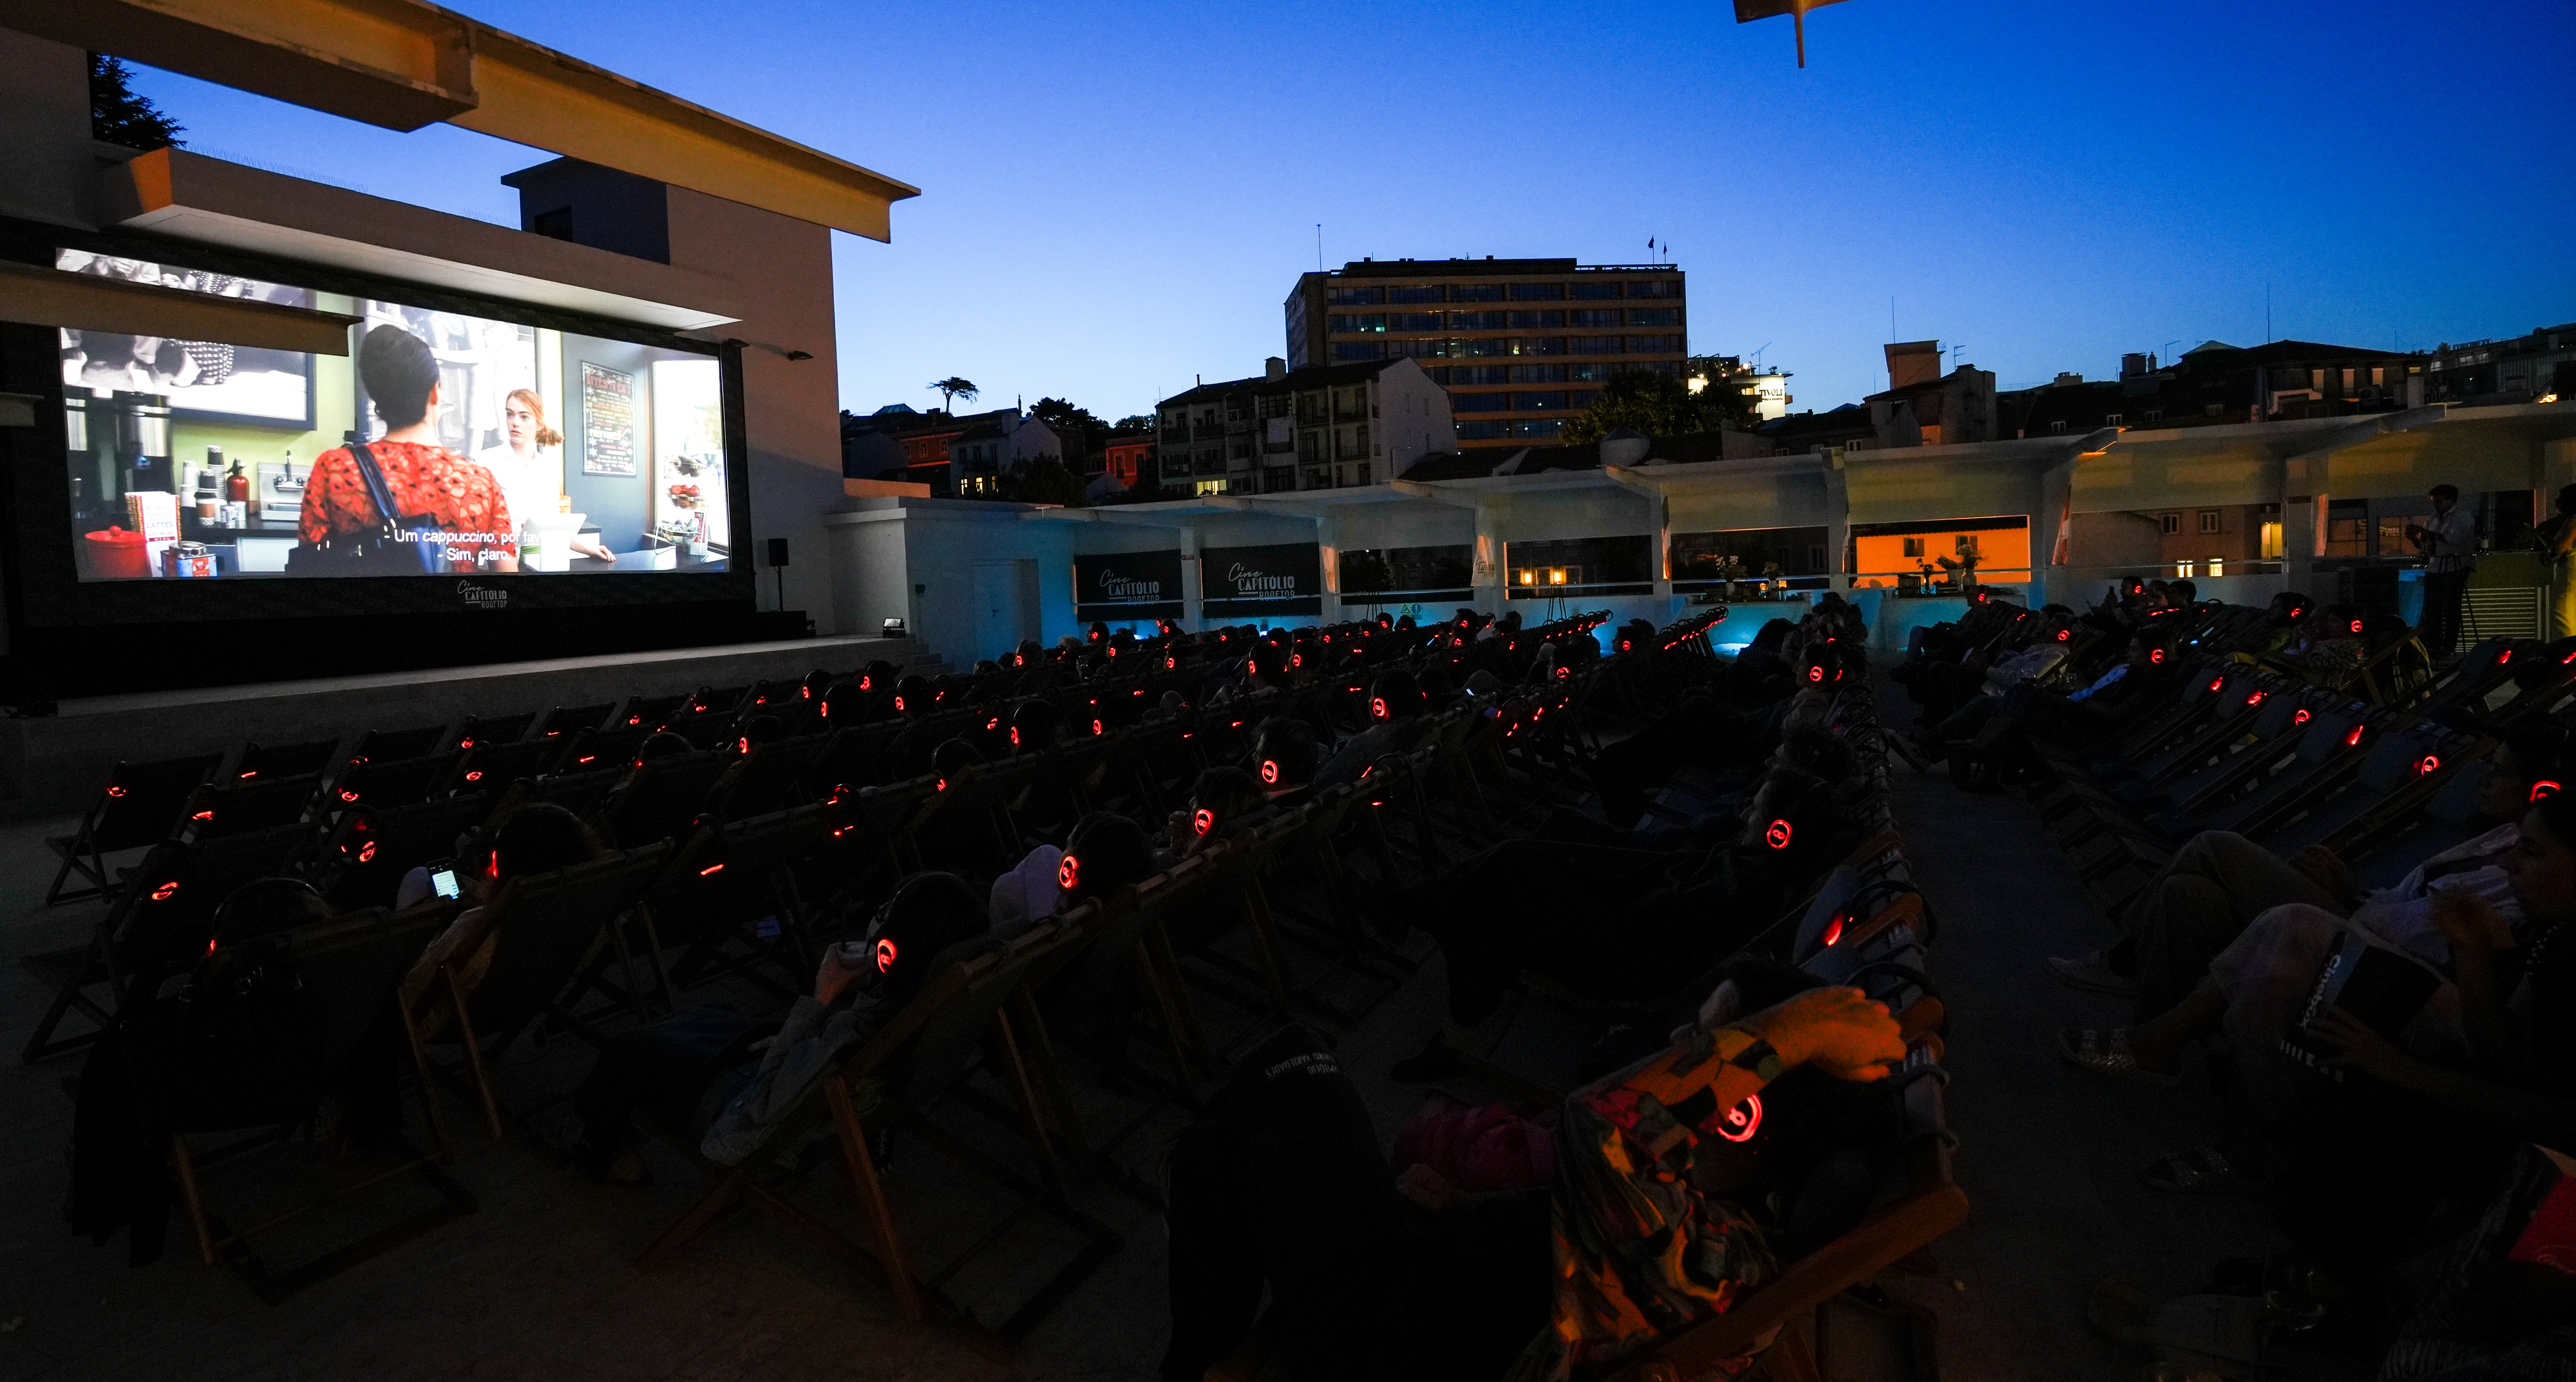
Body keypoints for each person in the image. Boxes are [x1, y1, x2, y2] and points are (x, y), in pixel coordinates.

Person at [559, 871, 990, 1184]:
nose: (874, 923)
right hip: (814, 1093)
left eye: (883, 914)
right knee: (715, 1013)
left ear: (891, 950)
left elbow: (742, 1127)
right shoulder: (912, 1011)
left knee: (630, 1049)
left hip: (743, 1115)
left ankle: (603, 1152)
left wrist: (822, 996)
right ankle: (626, 1121)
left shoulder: (850, 1039)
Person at [298, 324, 517, 573]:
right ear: (435, 393)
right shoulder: (480, 482)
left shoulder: (335, 468)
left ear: (376, 397)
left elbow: (311, 567)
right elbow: (506, 579)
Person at [400, 804, 609, 1018]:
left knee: (417, 878)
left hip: (439, 1016)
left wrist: (433, 926)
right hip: (518, 1004)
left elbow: (411, 989)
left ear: (504, 863)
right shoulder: (583, 911)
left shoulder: (474, 925)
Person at [473, 388, 614, 563]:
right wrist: (522, 533)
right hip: (496, 562)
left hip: (539, 561)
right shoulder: (487, 461)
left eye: (524, 417)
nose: (515, 422)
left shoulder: (547, 469)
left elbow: (554, 529)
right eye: (510, 414)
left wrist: (589, 548)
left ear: (539, 424)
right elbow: (473, 526)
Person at [2411, 483, 2479, 657]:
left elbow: (2454, 539)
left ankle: (2448, 647)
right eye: (2433, 501)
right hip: (2436, 566)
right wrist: (2414, 538)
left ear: (2451, 500)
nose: (2435, 505)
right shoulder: (2433, 519)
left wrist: (2426, 534)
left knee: (2450, 608)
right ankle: (2434, 645)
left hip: (2456, 565)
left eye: (2439, 501)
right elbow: (2427, 546)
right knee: (2432, 608)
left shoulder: (2463, 517)